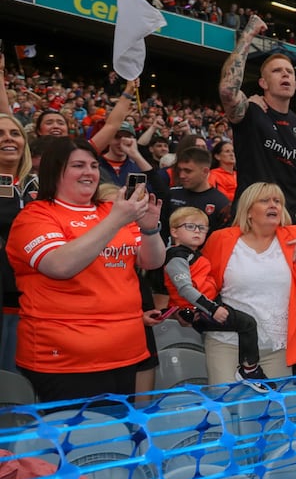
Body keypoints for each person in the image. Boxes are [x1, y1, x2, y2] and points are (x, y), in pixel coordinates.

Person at [6, 137, 164, 402]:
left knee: (115, 439)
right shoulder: (35, 216)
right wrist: (115, 220)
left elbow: (152, 262)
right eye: (78, 165)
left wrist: (149, 229)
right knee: (77, 441)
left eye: (93, 165)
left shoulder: (111, 211)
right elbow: (60, 265)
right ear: (55, 171)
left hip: (125, 351)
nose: (89, 172)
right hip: (65, 361)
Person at [200, 182, 296, 382]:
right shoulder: (221, 239)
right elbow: (201, 281)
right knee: (227, 407)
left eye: (277, 201)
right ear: (248, 211)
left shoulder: (294, 236)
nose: (273, 205)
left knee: (273, 410)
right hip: (227, 343)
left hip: (275, 348)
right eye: (265, 201)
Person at [163, 207, 270, 392]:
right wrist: (212, 309)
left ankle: (248, 367)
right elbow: (185, 289)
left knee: (245, 322)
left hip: (204, 306)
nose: (197, 231)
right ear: (174, 231)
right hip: (194, 311)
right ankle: (249, 369)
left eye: (202, 228)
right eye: (190, 226)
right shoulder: (177, 256)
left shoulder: (193, 254)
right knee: (247, 323)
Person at [218, 15, 296, 224]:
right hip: (250, 219)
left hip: (287, 222)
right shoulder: (251, 111)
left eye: (289, 72)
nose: (285, 75)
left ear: (295, 83)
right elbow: (227, 90)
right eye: (277, 71)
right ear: (263, 82)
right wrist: (249, 34)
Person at [0, 112, 38, 371]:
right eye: (0, 134)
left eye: (14, 133)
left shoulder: (40, 186)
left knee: (19, 380)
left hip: (32, 296)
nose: (8, 139)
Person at [167, 147, 231, 238]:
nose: (181, 175)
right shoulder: (172, 194)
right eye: (179, 170)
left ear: (205, 172)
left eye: (188, 171)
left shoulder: (221, 203)